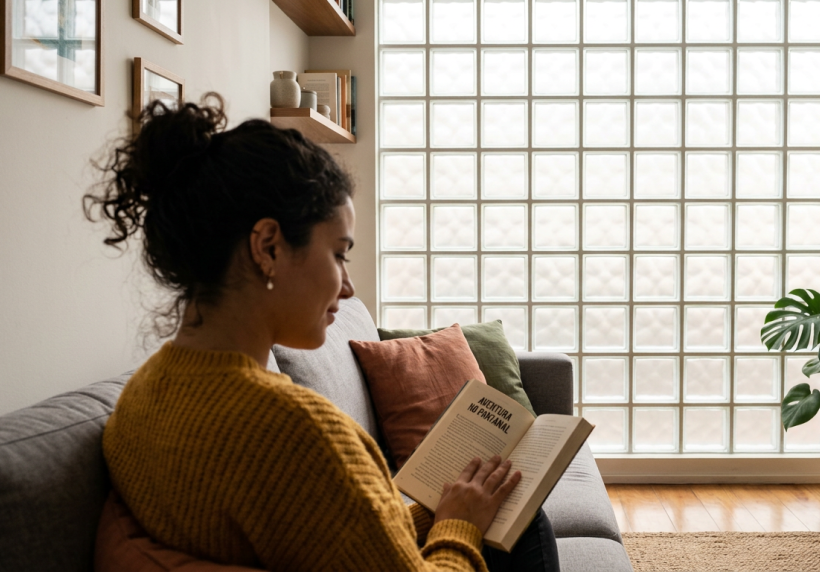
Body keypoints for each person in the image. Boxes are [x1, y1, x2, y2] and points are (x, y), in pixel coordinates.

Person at [86, 94, 560, 572]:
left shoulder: (142, 395)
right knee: (526, 520)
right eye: (338, 254)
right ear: (268, 247)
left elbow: (325, 533)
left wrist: (440, 510)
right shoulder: (297, 434)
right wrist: (460, 527)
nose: (349, 286)